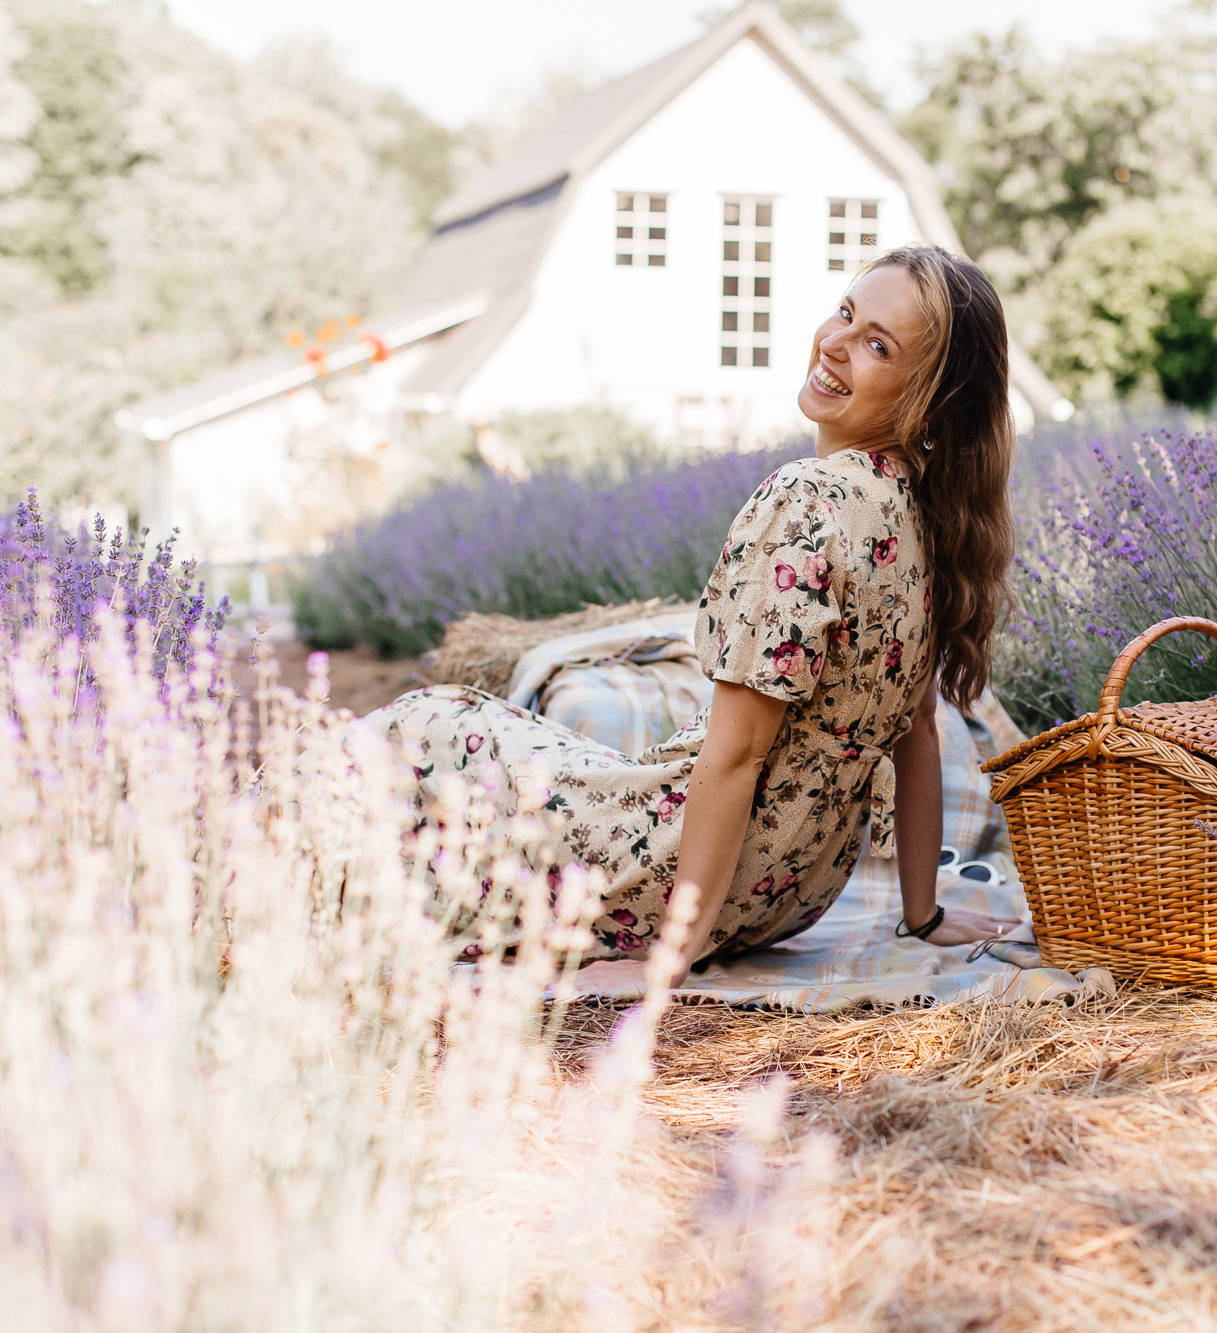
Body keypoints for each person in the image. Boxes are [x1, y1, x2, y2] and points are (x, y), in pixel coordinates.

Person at [370, 244, 1022, 986]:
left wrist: (673, 956)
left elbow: (737, 756)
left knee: (425, 722)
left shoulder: (807, 502)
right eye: (845, 313)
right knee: (512, 750)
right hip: (786, 896)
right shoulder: (927, 516)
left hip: (663, 876)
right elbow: (918, 731)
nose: (835, 343)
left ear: (930, 401)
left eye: (878, 345)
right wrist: (923, 913)